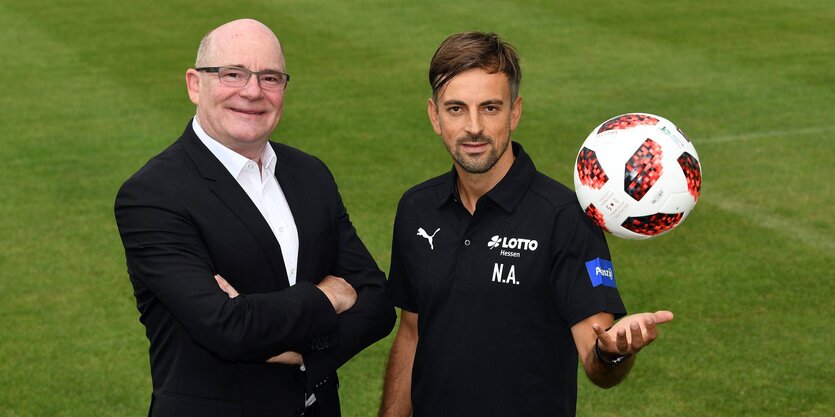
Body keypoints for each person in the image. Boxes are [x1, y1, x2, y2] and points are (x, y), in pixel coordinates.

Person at [379, 31, 674, 417]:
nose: (473, 128)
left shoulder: (565, 216)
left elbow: (596, 359)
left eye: (490, 108)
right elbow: (412, 332)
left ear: (514, 112)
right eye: (455, 109)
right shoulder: (417, 208)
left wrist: (614, 351)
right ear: (435, 116)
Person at [114, 18, 394, 417]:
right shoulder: (153, 194)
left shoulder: (310, 174)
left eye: (270, 77)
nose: (252, 91)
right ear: (195, 84)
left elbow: (377, 301)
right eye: (233, 74)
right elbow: (227, 328)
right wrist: (328, 296)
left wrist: (303, 355)